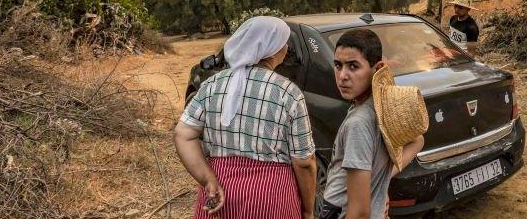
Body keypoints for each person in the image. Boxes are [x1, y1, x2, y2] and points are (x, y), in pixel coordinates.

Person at [174, 16, 317, 219]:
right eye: (284, 42)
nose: (286, 47)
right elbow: (304, 162)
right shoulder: (288, 93)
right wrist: (308, 210)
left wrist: (207, 180)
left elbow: (182, 134)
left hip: (221, 192)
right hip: (272, 198)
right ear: (274, 48)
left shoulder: (213, 85)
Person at [320, 29, 426, 219]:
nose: (342, 75)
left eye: (353, 66)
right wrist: (381, 180)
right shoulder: (382, 108)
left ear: (377, 69)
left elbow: (359, 213)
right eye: (338, 65)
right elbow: (417, 141)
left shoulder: (358, 124)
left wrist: (381, 181)